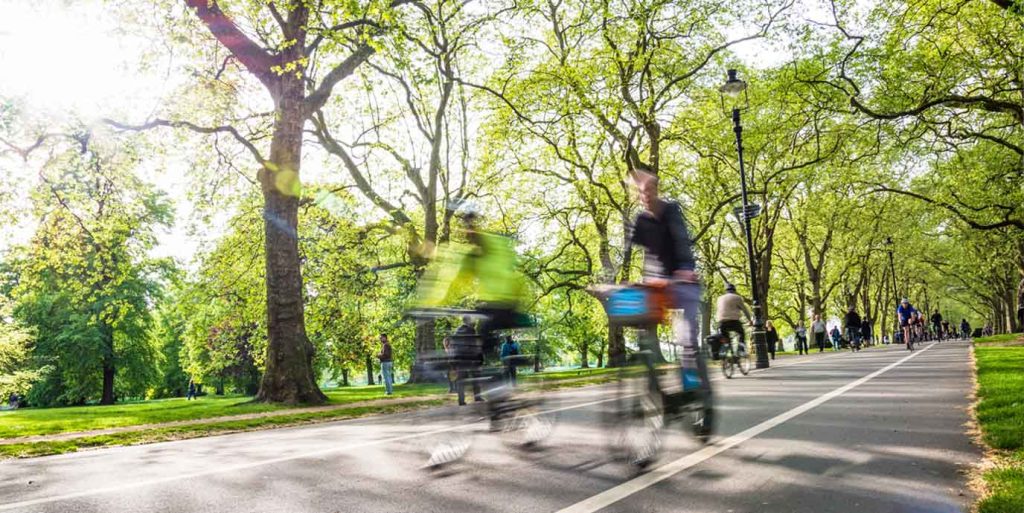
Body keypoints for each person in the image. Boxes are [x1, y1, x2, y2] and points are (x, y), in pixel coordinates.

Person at [626, 170, 704, 392]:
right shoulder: (641, 220)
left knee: (687, 336)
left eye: (649, 190)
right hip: (658, 284)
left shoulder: (671, 210)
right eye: (642, 192)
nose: (646, 196)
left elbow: (681, 240)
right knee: (641, 326)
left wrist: (684, 270)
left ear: (656, 190)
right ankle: (653, 388)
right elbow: (633, 250)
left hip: (683, 279)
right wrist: (625, 279)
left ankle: (692, 385)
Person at [716, 283, 752, 351]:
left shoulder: (719, 298)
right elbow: (745, 310)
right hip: (733, 321)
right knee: (741, 333)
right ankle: (740, 351)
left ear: (726, 291)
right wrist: (750, 320)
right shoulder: (737, 298)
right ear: (734, 291)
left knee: (725, 338)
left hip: (721, 322)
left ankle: (728, 351)